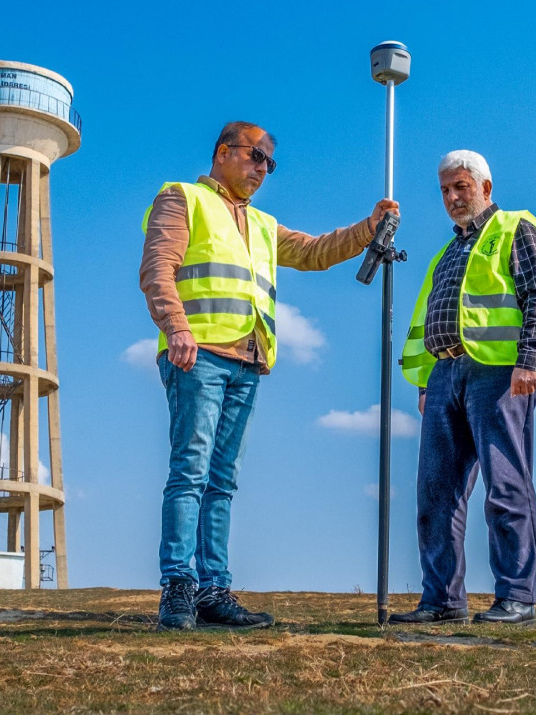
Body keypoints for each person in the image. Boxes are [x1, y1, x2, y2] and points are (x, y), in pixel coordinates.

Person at [139, 121, 398, 630]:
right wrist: (177, 328)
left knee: (222, 481)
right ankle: (178, 587)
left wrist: (370, 228)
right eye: (255, 156)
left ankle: (213, 590)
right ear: (222, 152)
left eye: (269, 163)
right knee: (191, 471)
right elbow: (157, 269)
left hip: (248, 362)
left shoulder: (261, 224)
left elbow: (315, 251)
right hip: (198, 356)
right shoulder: (182, 198)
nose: (262, 168)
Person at [389, 150, 536, 626]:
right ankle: (441, 601)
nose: (452, 197)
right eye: (445, 190)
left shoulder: (516, 228)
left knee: (506, 487)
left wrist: (531, 359)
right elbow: (429, 318)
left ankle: (517, 598)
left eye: (460, 187)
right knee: (435, 493)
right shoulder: (447, 253)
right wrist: (426, 382)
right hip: (445, 376)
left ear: (485, 187)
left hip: (500, 374)